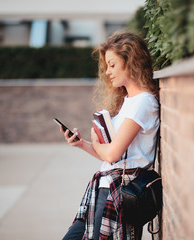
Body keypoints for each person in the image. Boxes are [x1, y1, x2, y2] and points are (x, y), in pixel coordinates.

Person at [60, 32, 159, 240]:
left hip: (119, 191)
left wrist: (95, 141)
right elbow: (113, 158)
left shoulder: (143, 103)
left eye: (112, 65)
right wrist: (82, 144)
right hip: (104, 187)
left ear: (130, 61)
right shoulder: (129, 101)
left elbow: (112, 154)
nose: (107, 72)